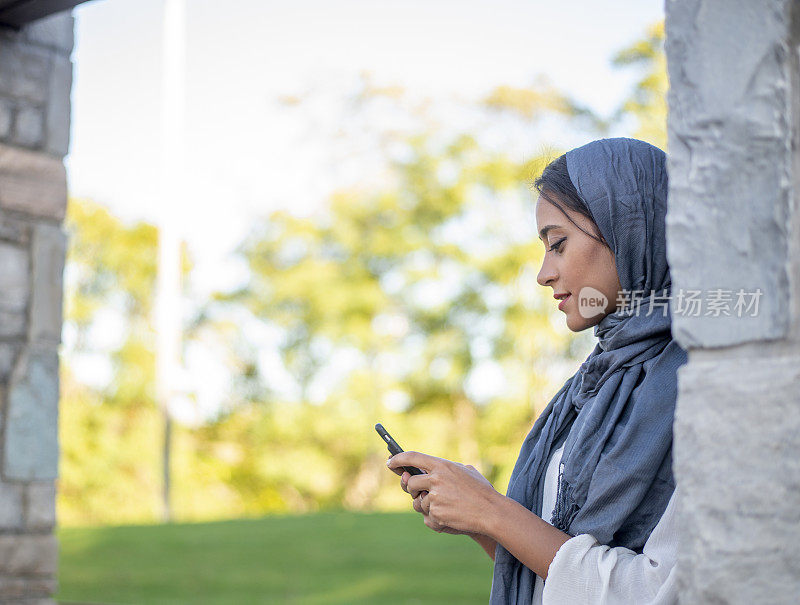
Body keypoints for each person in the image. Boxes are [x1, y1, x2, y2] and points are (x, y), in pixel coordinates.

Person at [387, 138, 686, 604]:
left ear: (629, 229)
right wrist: (477, 515)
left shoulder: (705, 385)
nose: (543, 273)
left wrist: (492, 511)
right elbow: (563, 577)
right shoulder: (589, 389)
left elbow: (661, 591)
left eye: (558, 244)